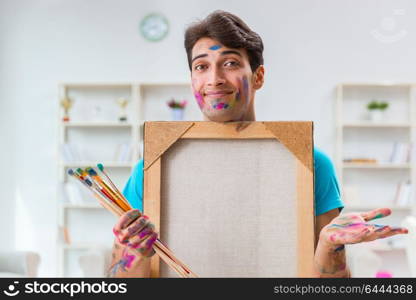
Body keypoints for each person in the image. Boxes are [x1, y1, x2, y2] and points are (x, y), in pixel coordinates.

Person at [108, 10, 408, 278]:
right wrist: (136, 254)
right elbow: (119, 283)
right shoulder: (151, 168)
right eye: (201, 66)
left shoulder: (311, 164)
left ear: (259, 76)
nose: (214, 79)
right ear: (192, 80)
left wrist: (331, 246)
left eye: (230, 63)